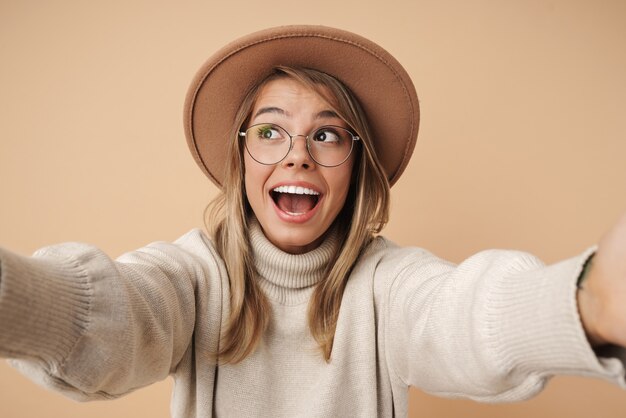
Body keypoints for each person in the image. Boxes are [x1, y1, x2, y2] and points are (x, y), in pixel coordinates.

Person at [0, 25, 625, 418]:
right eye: (270, 131)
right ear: (240, 159)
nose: (297, 153)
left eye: (326, 134)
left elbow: (461, 317)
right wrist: (15, 296)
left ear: (356, 166)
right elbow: (120, 314)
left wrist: (589, 299)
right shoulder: (191, 276)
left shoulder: (387, 284)